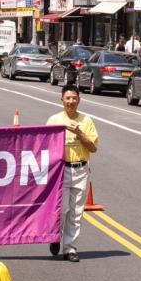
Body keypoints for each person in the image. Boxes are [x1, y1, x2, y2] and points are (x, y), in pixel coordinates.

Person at [46, 85, 99, 262]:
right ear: (61, 100)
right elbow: (45, 145)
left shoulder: (86, 121)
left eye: (74, 98)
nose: (71, 102)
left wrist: (79, 133)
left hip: (81, 169)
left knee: (76, 212)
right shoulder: (54, 120)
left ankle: (70, 248)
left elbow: (93, 147)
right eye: (67, 98)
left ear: (79, 100)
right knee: (61, 210)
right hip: (61, 170)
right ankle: (55, 237)